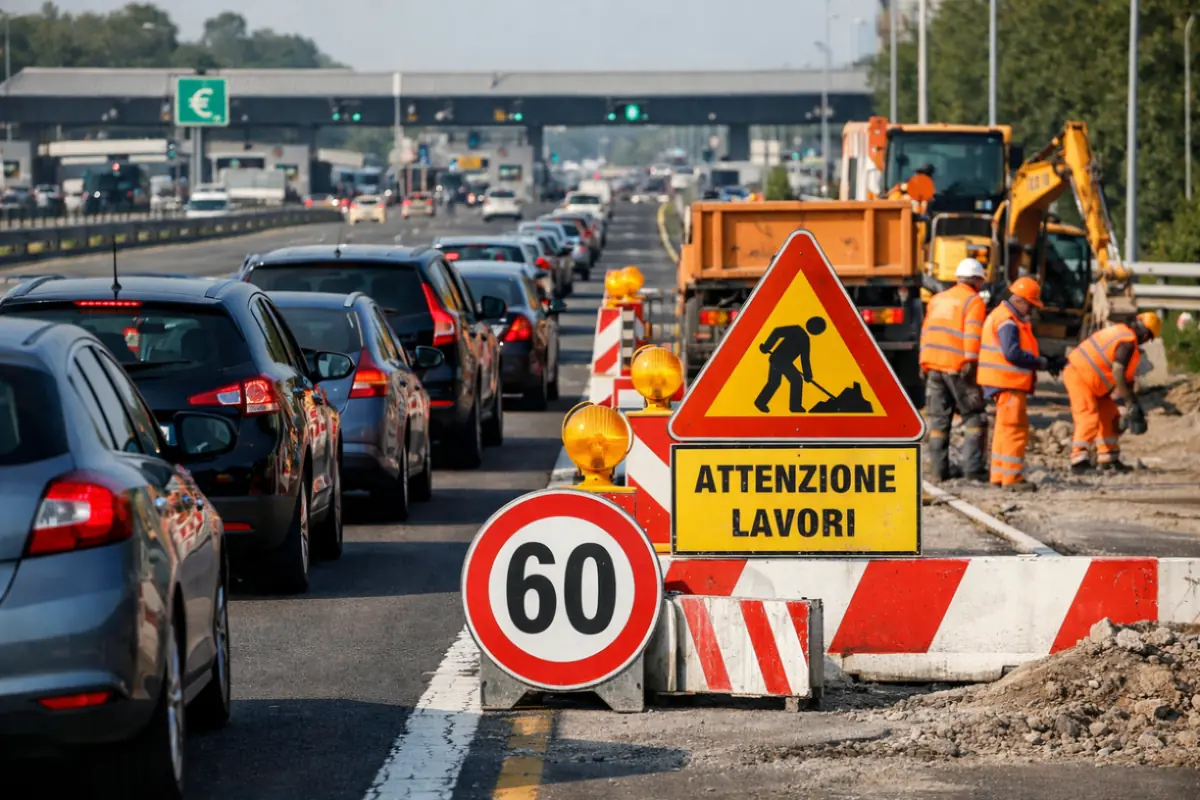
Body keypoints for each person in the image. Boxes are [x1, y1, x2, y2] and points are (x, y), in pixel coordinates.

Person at [977, 277, 1061, 491]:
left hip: (1002, 383)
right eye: (1031, 305)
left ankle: (999, 475)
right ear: (1022, 301)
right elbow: (1012, 353)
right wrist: (1041, 363)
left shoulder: (1001, 316)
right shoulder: (1007, 321)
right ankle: (1012, 478)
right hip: (1009, 383)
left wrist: (1042, 359)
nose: (1032, 310)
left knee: (1003, 430)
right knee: (1015, 430)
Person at [1062, 312, 1161, 474]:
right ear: (1145, 335)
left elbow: (1126, 382)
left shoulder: (1123, 335)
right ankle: (1078, 461)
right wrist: (1129, 402)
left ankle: (1108, 457)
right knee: (1088, 416)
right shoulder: (1127, 342)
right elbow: (1118, 372)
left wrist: (1134, 404)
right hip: (1080, 375)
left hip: (1095, 382)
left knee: (1109, 415)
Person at [919, 257, 988, 481]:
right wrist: (970, 360)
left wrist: (923, 361)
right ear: (977, 280)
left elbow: (926, 331)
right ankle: (972, 470)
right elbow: (972, 332)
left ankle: (939, 472)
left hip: (933, 366)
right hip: (958, 367)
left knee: (939, 422)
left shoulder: (938, 299)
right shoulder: (973, 301)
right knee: (974, 417)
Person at [754, 316, 827, 414]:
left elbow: (804, 359)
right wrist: (767, 346)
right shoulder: (798, 331)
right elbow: (777, 332)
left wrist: (807, 374)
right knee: (796, 380)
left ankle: (760, 402)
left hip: (778, 359)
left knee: (774, 382)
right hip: (781, 360)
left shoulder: (803, 337)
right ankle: (795, 407)